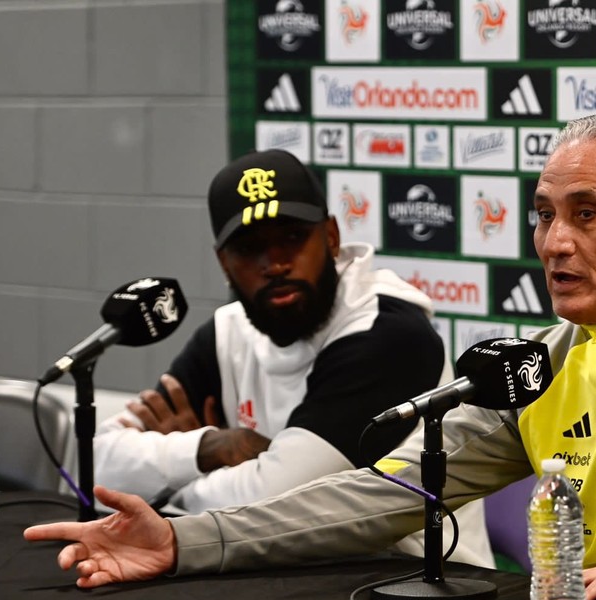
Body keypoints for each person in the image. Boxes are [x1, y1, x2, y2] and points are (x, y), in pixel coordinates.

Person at [26, 113, 596, 600]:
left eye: (586, 212)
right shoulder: (547, 363)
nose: (555, 242)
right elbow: (381, 494)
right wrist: (186, 542)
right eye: (541, 216)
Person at [86, 148, 493, 566]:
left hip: (420, 589)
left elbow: (279, 506)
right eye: (249, 248)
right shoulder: (227, 334)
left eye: (293, 238)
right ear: (223, 263)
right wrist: (206, 448)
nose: (275, 263)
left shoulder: (389, 335)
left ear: (331, 237)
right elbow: (92, 466)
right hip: (278, 582)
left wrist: (159, 494)